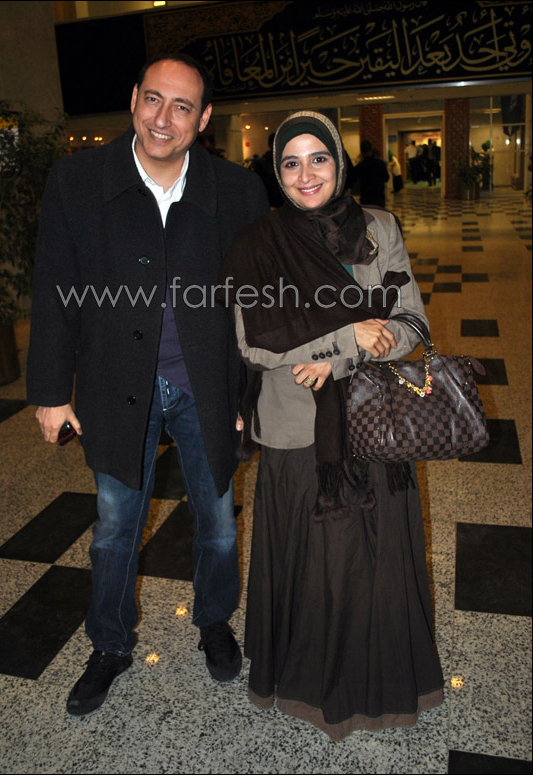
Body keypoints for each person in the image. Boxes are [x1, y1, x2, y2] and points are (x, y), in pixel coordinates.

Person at [26, 54, 268, 716]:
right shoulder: (78, 181)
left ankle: (213, 621)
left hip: (206, 385)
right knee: (113, 527)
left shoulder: (236, 191)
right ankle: (109, 644)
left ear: (204, 118)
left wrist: (247, 397)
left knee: (217, 520)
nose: (164, 117)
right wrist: (50, 391)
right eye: (154, 99)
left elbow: (254, 305)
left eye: (182, 106)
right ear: (134, 98)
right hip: (114, 383)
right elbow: (54, 288)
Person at [219, 111, 443, 739]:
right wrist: (346, 338)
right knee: (315, 567)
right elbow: (255, 341)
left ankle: (380, 684)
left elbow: (412, 324)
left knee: (372, 563)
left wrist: (340, 355)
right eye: (291, 162)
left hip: (373, 422)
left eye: (318, 158)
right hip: (297, 434)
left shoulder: (379, 228)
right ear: (277, 172)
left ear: (339, 163)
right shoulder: (257, 243)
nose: (306, 174)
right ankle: (309, 685)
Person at [347, 139, 389, 207]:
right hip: (379, 198)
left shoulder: (360, 166)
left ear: (361, 152)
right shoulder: (380, 164)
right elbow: (386, 178)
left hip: (366, 199)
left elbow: (351, 180)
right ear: (371, 150)